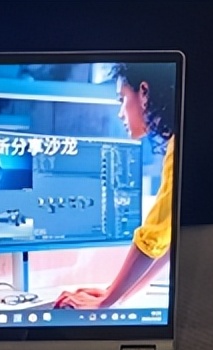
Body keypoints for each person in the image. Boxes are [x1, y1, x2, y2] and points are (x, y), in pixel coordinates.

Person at [54, 62, 175, 309]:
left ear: (144, 92)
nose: (120, 113)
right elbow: (172, 238)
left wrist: (105, 303)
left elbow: (154, 236)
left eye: (122, 99)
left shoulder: (179, 148)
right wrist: (117, 295)